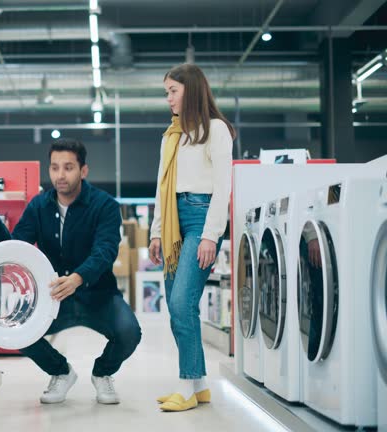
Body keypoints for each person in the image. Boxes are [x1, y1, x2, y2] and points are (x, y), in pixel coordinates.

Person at [0, 138, 142, 405]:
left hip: (98, 294)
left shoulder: (104, 205)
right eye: (55, 167)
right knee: (17, 331)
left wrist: (78, 278)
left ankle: (103, 373)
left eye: (69, 167)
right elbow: (15, 249)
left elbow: (105, 250)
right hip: (53, 297)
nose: (60, 175)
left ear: (83, 171)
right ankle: (61, 372)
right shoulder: (40, 206)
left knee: (130, 332)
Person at [148, 64, 235, 412]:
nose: (168, 97)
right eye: (166, 91)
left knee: (182, 303)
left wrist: (211, 235)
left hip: (201, 218)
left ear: (191, 90)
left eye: (173, 90)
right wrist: (156, 232)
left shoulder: (216, 130)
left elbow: (223, 187)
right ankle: (199, 386)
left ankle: (185, 386)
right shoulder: (172, 135)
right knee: (177, 305)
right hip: (173, 222)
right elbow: (161, 188)